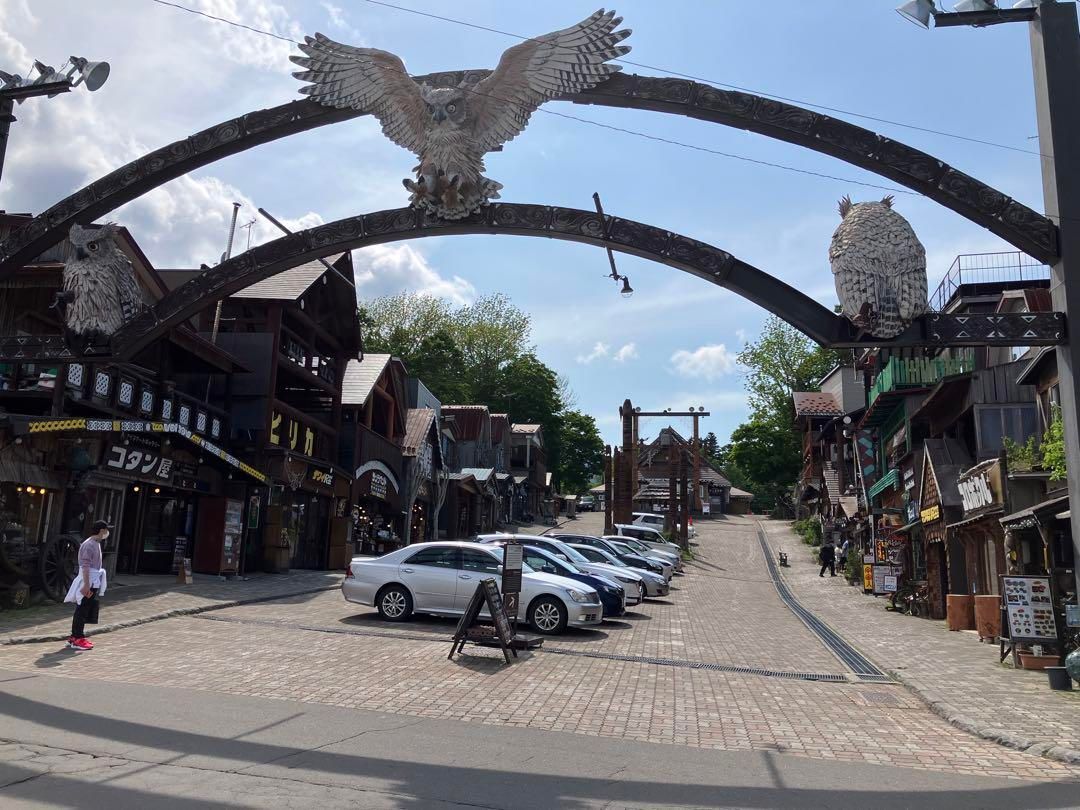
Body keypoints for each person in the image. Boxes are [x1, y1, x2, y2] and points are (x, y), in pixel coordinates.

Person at [64, 520, 110, 651]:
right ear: (102, 531)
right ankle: (78, 637)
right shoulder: (89, 545)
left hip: (93, 580)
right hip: (88, 580)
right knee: (82, 609)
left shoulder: (95, 543)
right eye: (106, 530)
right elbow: (85, 566)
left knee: (84, 608)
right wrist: (86, 585)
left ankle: (75, 636)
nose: (107, 533)